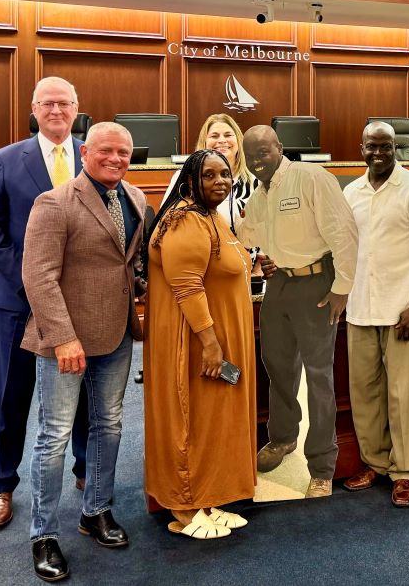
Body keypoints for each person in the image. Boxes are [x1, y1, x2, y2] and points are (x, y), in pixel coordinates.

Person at [21, 122, 145, 581]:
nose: (116, 159)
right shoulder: (53, 204)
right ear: (85, 151)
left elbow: (128, 263)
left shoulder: (135, 199)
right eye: (107, 151)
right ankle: (43, 535)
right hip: (66, 342)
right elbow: (38, 277)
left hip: (114, 336)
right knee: (53, 437)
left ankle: (96, 511)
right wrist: (63, 337)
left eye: (124, 153)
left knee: (108, 425)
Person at [0, 76, 90, 529]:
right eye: (48, 103)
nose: (57, 110)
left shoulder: (93, 155)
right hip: (21, 301)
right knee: (11, 393)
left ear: (77, 108)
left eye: (64, 103)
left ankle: (85, 469)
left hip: (80, 301)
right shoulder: (5, 160)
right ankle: (0, 483)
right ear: (34, 108)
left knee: (81, 388)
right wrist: (30, 282)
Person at [143, 149, 260, 538]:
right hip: (196, 340)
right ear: (191, 178)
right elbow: (188, 287)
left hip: (220, 336)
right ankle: (183, 506)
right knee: (189, 418)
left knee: (213, 419)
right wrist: (210, 344)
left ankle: (208, 497)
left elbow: (226, 264)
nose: (220, 182)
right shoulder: (185, 221)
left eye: (225, 174)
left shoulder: (211, 216)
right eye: (209, 175)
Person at [237, 125, 358, 498]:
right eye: (251, 155)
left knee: (318, 376)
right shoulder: (260, 193)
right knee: (276, 364)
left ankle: (322, 464)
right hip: (280, 286)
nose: (257, 162)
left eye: (263, 153)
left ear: (280, 149)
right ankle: (283, 438)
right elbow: (245, 235)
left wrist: (342, 288)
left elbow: (344, 232)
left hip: (317, 286)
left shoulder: (311, 178)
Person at [340, 122, 409, 508]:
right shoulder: (351, 192)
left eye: (385, 147)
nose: (378, 154)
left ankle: (403, 473)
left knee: (403, 395)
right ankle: (375, 463)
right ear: (361, 147)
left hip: (404, 311)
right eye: (371, 147)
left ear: (395, 147)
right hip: (360, 308)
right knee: (364, 393)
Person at [161, 114, 259, 231]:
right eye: (214, 136)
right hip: (204, 246)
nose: (222, 140)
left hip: (251, 247)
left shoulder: (256, 178)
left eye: (228, 135)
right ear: (205, 142)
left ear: (239, 141)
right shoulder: (185, 177)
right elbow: (166, 219)